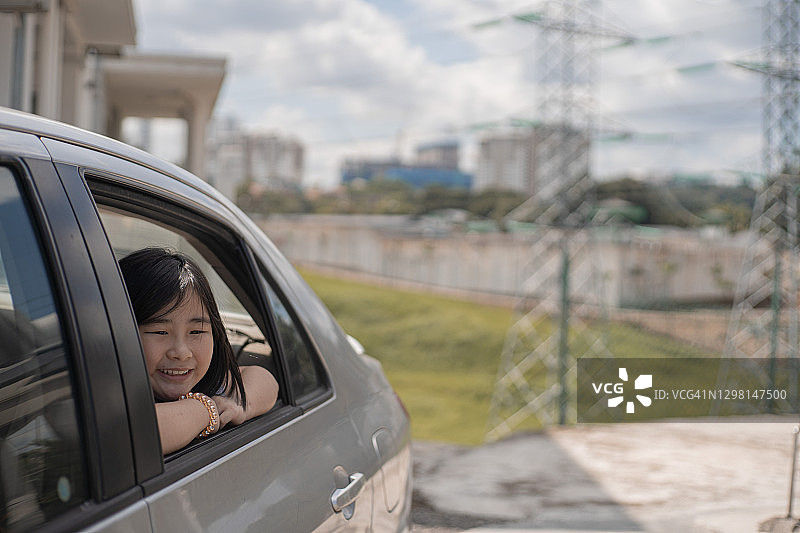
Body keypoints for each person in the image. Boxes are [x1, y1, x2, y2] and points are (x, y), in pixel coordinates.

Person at [119, 247, 279, 454]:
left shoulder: (209, 384)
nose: (181, 352)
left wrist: (239, 404)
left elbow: (266, 381)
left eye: (196, 331)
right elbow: (131, 436)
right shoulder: (106, 397)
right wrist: (204, 410)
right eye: (160, 332)